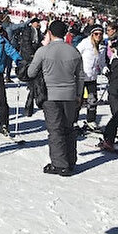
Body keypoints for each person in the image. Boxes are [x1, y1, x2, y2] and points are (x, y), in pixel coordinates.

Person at [25, 20, 83, 176]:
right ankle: (71, 161)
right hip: (70, 94)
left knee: (55, 130)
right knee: (69, 128)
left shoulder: (43, 51)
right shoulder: (74, 51)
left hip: (50, 94)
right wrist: (79, 94)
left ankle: (59, 164)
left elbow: (30, 73)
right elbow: (80, 76)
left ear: (50, 33)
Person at [74, 24, 105, 130]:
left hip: (92, 77)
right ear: (92, 34)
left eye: (100, 34)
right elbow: (75, 54)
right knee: (79, 100)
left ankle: (91, 120)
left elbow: (102, 62)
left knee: (93, 100)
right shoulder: (85, 43)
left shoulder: (102, 47)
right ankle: (74, 121)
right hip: (82, 76)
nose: (98, 36)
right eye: (96, 34)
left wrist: (105, 69)